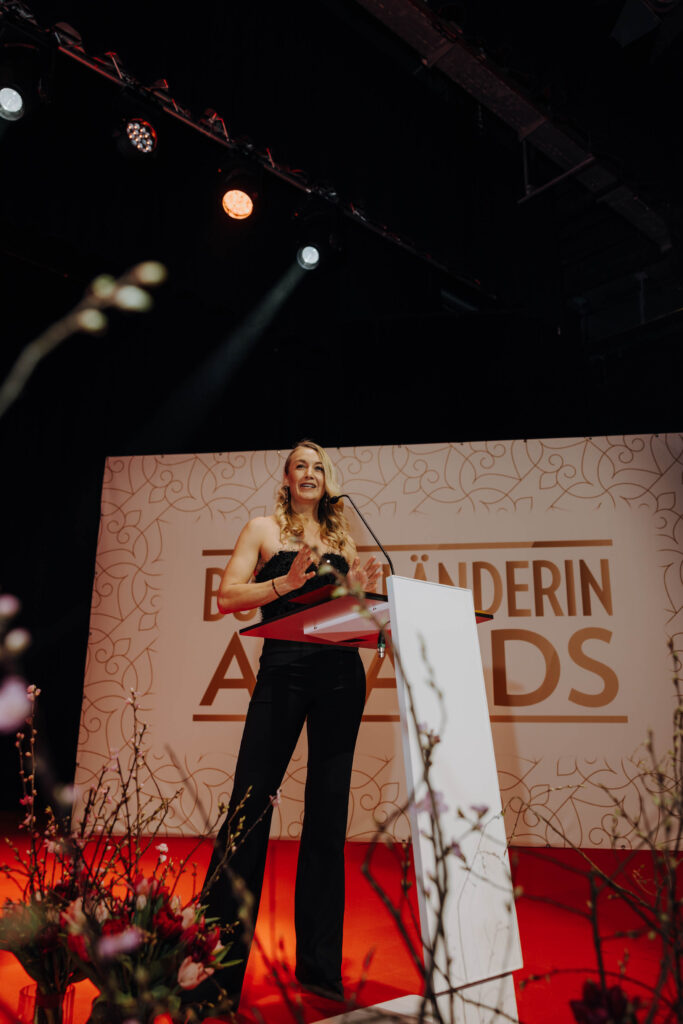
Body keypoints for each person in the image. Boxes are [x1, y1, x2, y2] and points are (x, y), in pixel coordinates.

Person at [190, 440, 380, 1015]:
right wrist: (283, 584)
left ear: (328, 480)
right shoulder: (262, 530)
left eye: (319, 467)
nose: (310, 473)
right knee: (248, 809)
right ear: (287, 477)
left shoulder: (344, 540)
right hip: (284, 671)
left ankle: (320, 969)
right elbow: (227, 598)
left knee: (327, 817)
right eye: (301, 465)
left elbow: (344, 616)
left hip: (340, 675)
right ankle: (212, 972)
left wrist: (362, 599)